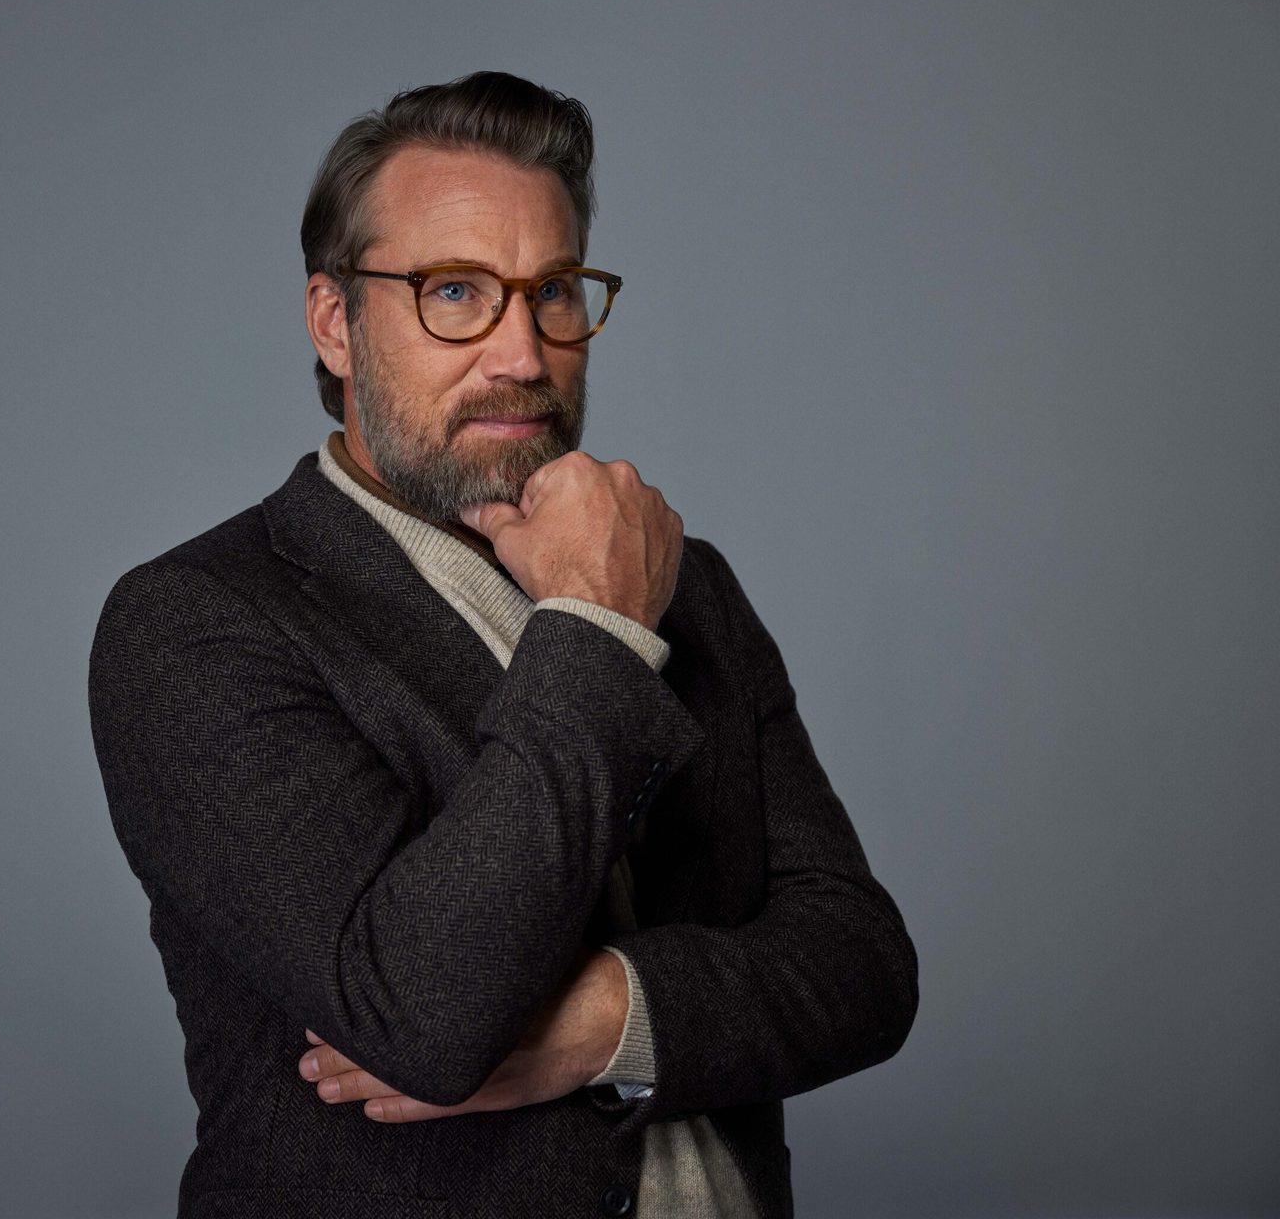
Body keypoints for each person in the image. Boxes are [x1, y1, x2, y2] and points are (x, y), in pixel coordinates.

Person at [87, 71, 917, 1219]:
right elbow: (422, 1013)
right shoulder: (198, 622)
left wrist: (598, 1025)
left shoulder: (686, 579)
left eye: (556, 291)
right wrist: (593, 628)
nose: (522, 352)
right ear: (335, 320)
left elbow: (864, 968)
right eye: (456, 292)